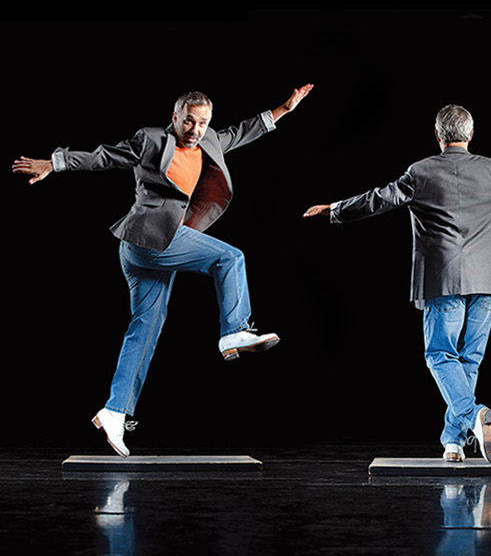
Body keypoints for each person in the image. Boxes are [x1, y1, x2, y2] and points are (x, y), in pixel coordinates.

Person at [13, 85, 314, 457]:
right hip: (149, 238)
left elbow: (244, 130)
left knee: (145, 331)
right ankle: (234, 332)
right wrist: (54, 164)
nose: (195, 129)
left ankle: (114, 411)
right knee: (230, 258)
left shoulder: (211, 141)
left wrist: (284, 108)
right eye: (189, 120)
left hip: (143, 248)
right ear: (175, 118)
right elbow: (104, 156)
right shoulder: (152, 140)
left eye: (202, 122)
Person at [302, 104, 491, 463]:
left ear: (437, 135)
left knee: (439, 355)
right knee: (469, 360)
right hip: (490, 279)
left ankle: (471, 415)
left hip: (443, 278)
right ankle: (454, 441)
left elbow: (378, 199)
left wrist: (334, 209)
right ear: (471, 134)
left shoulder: (420, 172)